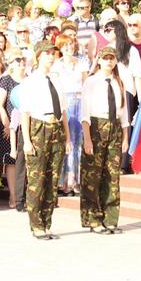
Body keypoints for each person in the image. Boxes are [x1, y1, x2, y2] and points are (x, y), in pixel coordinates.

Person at [20, 41, 71, 240]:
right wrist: (27, 140)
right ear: (38, 55)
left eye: (53, 53)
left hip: (56, 127)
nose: (51, 56)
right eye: (47, 53)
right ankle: (36, 224)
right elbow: (25, 113)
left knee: (52, 179)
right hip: (39, 127)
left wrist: (67, 137)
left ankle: (47, 222)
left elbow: (64, 110)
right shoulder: (30, 81)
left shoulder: (57, 80)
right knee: (37, 180)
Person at [79, 46, 128, 234]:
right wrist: (88, 139)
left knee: (112, 175)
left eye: (112, 58)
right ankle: (93, 218)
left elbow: (124, 113)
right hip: (96, 127)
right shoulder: (91, 82)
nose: (109, 61)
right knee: (93, 175)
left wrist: (125, 137)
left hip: (114, 128)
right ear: (98, 60)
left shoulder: (118, 82)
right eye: (105, 58)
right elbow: (85, 113)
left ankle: (111, 218)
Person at [103, 20, 141, 173]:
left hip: (125, 90)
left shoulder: (130, 50)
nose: (106, 32)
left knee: (125, 126)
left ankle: (123, 162)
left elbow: (138, 75)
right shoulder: (104, 49)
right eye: (104, 29)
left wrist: (140, 98)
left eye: (109, 29)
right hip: (108, 90)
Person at [50, 34, 88, 196]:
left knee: (77, 143)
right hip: (63, 103)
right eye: (65, 45)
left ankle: (75, 181)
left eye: (71, 45)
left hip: (79, 102)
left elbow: (86, 86)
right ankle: (62, 182)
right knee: (64, 142)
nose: (69, 48)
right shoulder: (56, 66)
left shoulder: (82, 63)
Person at [0, 50, 26, 210]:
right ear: (10, 63)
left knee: (25, 160)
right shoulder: (6, 80)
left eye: (22, 59)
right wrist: (6, 125)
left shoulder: (29, 80)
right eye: (17, 59)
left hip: (27, 124)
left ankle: (23, 195)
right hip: (11, 125)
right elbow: (0, 104)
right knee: (11, 161)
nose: (21, 62)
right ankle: (13, 196)